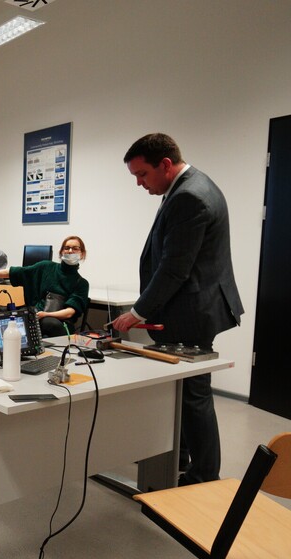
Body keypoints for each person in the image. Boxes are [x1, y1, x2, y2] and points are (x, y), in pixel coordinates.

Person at [112, 133, 244, 486]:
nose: (140, 184)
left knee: (193, 394)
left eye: (142, 175)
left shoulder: (189, 196)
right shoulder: (191, 187)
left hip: (191, 313)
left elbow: (174, 269)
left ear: (165, 164)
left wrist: (137, 313)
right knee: (181, 392)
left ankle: (203, 476)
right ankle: (179, 454)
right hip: (192, 307)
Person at [0, 236, 90, 337]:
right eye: (66, 248)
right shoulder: (46, 267)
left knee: (49, 323)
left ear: (82, 254)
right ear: (61, 252)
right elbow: (17, 272)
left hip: (59, 324)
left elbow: (69, 312)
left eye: (75, 248)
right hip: (36, 316)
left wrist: (46, 314)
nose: (70, 251)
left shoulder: (82, 283)